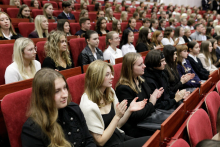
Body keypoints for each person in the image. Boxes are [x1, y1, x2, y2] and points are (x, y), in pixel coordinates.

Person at [80, 60, 150, 147]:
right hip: (108, 145)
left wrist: (129, 110)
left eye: (111, 73)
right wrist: (117, 116)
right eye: (107, 74)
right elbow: (100, 142)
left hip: (118, 137)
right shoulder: (88, 106)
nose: (112, 77)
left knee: (153, 140)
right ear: (97, 77)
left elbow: (118, 125)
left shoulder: (109, 92)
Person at [21, 68, 96, 147]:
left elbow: (89, 140)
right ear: (43, 96)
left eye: (65, 88)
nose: (65, 95)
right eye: (57, 91)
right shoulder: (32, 129)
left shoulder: (74, 109)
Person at [115, 52, 164, 137]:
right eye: (140, 64)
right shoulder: (123, 88)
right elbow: (134, 116)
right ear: (130, 68)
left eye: (143, 63)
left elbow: (148, 104)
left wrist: (155, 97)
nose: (144, 66)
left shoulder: (141, 79)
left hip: (148, 119)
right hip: (136, 127)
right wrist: (152, 103)